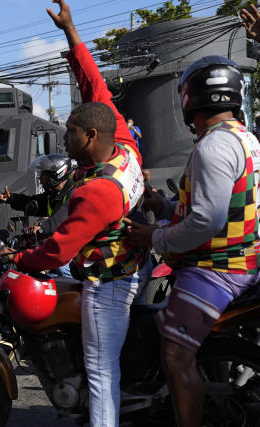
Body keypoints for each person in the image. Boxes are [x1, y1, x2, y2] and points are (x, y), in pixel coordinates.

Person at [0, 2, 147, 425]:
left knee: (102, 372)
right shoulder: (123, 145)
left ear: (91, 135)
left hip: (109, 280)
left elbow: (59, 248)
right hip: (132, 262)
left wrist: (22, 259)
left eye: (71, 131)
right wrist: (72, 33)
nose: (64, 136)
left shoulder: (97, 191)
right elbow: (95, 87)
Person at [127, 55, 260, 427]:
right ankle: (215, 390)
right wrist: (167, 207)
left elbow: (207, 220)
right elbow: (219, 207)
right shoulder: (244, 139)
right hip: (240, 260)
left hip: (216, 269)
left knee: (174, 353)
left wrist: (155, 236)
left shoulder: (212, 148)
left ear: (191, 100)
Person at [0, 153, 77, 236]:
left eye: (44, 174)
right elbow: (31, 201)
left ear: (58, 174)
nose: (40, 178)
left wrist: (42, 228)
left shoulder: (74, 194)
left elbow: (61, 219)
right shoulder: (53, 196)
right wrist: (11, 199)